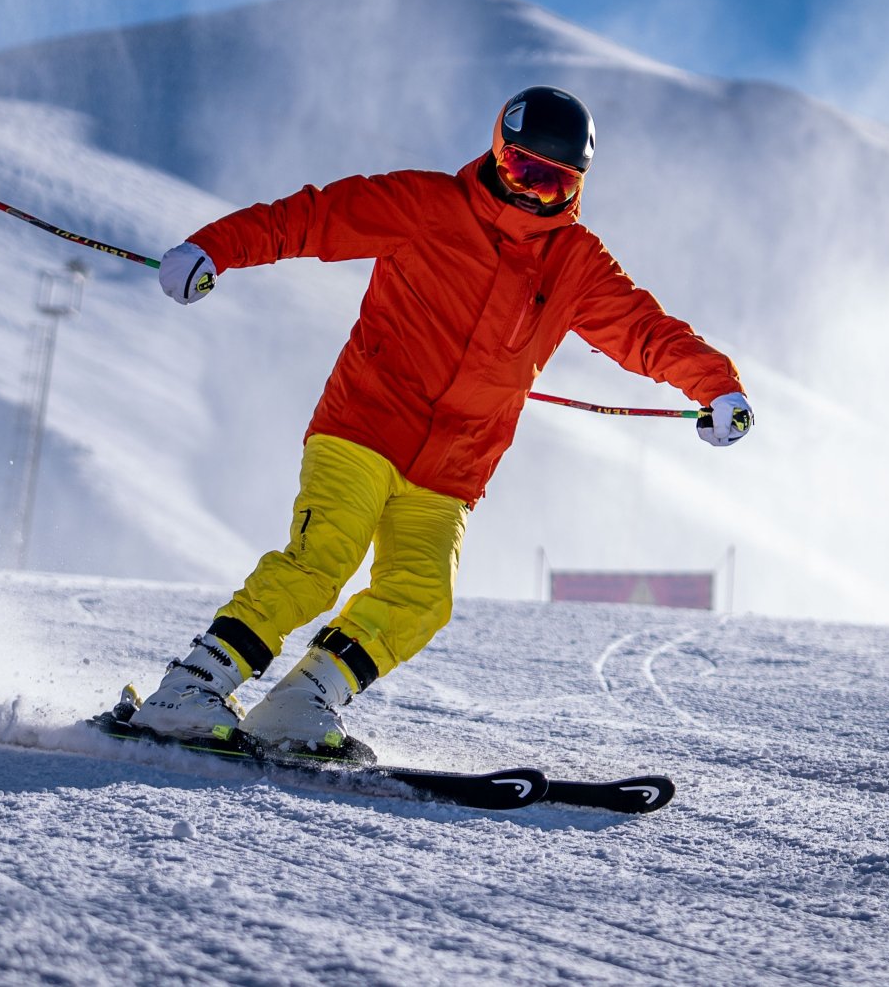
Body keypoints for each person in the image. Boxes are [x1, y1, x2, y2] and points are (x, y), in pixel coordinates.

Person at [126, 86, 751, 756]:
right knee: (320, 562)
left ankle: (297, 705)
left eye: (551, 183)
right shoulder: (424, 205)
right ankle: (188, 689)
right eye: (519, 171)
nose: (530, 192)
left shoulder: (576, 263)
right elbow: (311, 218)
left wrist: (717, 387)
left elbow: (644, 331)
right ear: (495, 151)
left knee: (422, 596)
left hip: (453, 470)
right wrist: (212, 249)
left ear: (576, 187)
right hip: (365, 425)